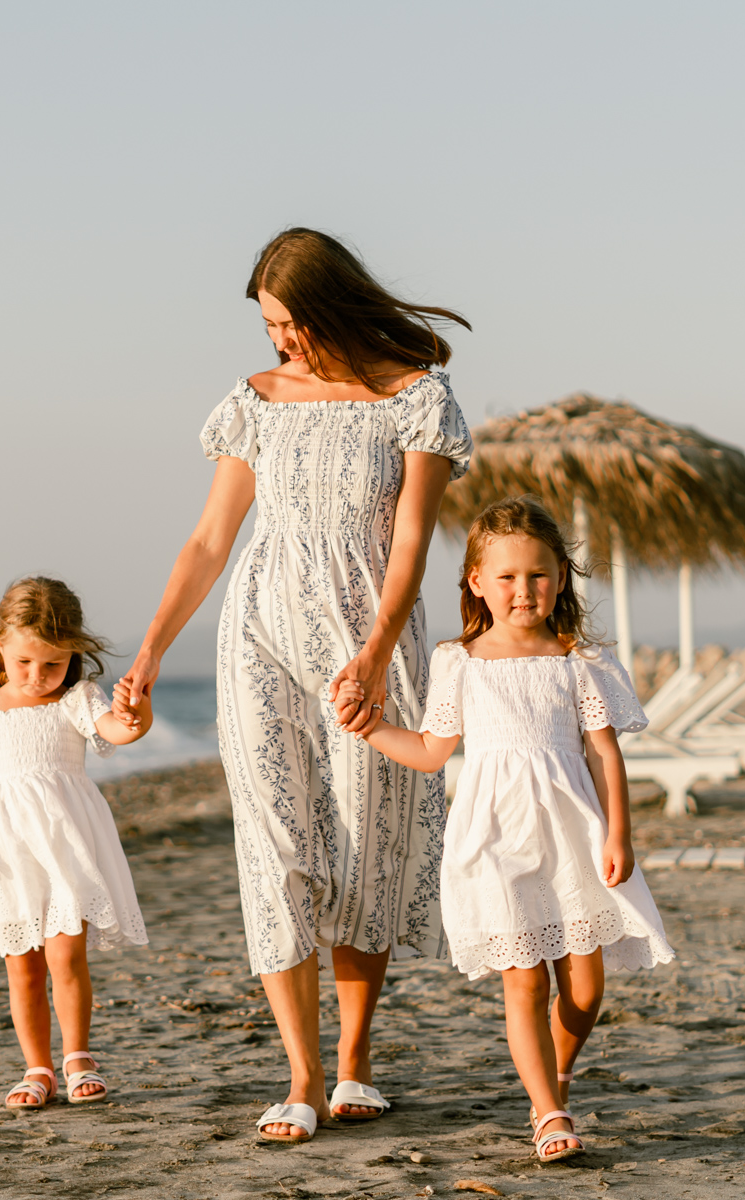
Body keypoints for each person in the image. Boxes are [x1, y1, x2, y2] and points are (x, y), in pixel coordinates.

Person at [111, 228, 473, 1143]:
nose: (281, 342)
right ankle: (302, 1076)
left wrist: (378, 650)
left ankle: (354, 1065)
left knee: (368, 843)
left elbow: (410, 542)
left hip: (371, 647)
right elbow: (208, 544)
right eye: (270, 325)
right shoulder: (257, 403)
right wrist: (150, 654)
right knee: (274, 844)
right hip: (259, 641)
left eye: (291, 323)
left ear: (331, 306)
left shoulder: (416, 400)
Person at [339, 495, 675, 1164]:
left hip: (573, 834)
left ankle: (556, 1072)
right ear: (476, 583)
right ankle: (548, 1112)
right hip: (493, 840)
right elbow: (434, 751)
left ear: (561, 577)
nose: (524, 590)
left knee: (585, 988)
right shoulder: (458, 662)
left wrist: (619, 836)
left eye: (539, 574)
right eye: (508, 577)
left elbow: (604, 753)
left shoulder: (580, 658)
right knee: (524, 981)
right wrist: (372, 727)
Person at [0, 576, 153, 1110]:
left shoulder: (77, 700)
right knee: (21, 964)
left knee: (65, 955)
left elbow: (118, 732)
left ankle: (77, 1057)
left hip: (65, 844)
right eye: (25, 663)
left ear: (72, 657)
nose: (37, 676)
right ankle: (37, 1067)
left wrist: (136, 713)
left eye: (52, 664)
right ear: (0, 649)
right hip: (5, 852)